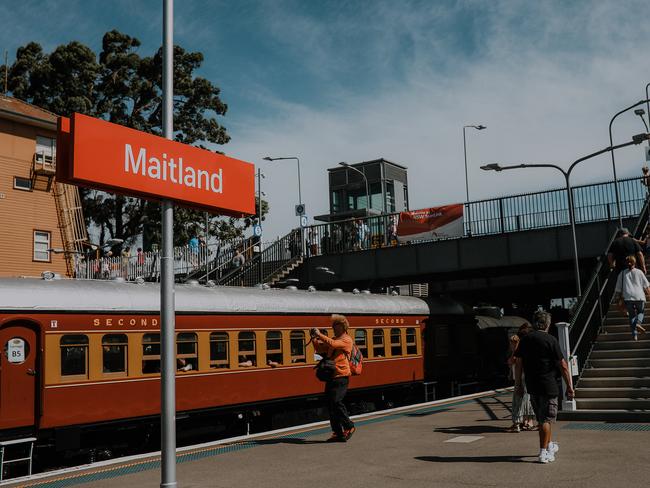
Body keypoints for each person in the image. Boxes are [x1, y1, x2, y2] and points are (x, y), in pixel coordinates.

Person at [514, 311, 574, 464]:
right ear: (547, 324)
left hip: (532, 385)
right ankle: (543, 453)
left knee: (542, 419)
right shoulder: (551, 340)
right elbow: (563, 365)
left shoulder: (525, 339)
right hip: (549, 386)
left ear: (534, 323)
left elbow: (518, 363)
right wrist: (569, 386)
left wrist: (519, 384)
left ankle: (548, 446)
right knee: (546, 420)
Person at [312, 315, 356, 442]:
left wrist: (320, 334)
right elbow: (320, 348)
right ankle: (338, 432)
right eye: (333, 327)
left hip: (342, 376)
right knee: (331, 405)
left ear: (343, 327)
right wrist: (314, 338)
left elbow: (333, 344)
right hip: (332, 376)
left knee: (337, 402)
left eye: (335, 327)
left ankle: (349, 426)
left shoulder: (346, 340)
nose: (333, 329)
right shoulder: (334, 338)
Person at [614, 255, 650, 340]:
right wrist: (649, 293)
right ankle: (638, 323)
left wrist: (617, 298)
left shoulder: (622, 273)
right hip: (639, 296)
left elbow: (618, 288)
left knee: (631, 316)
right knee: (641, 311)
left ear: (626, 263)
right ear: (635, 262)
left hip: (628, 297)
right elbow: (647, 286)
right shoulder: (639, 272)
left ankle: (634, 335)